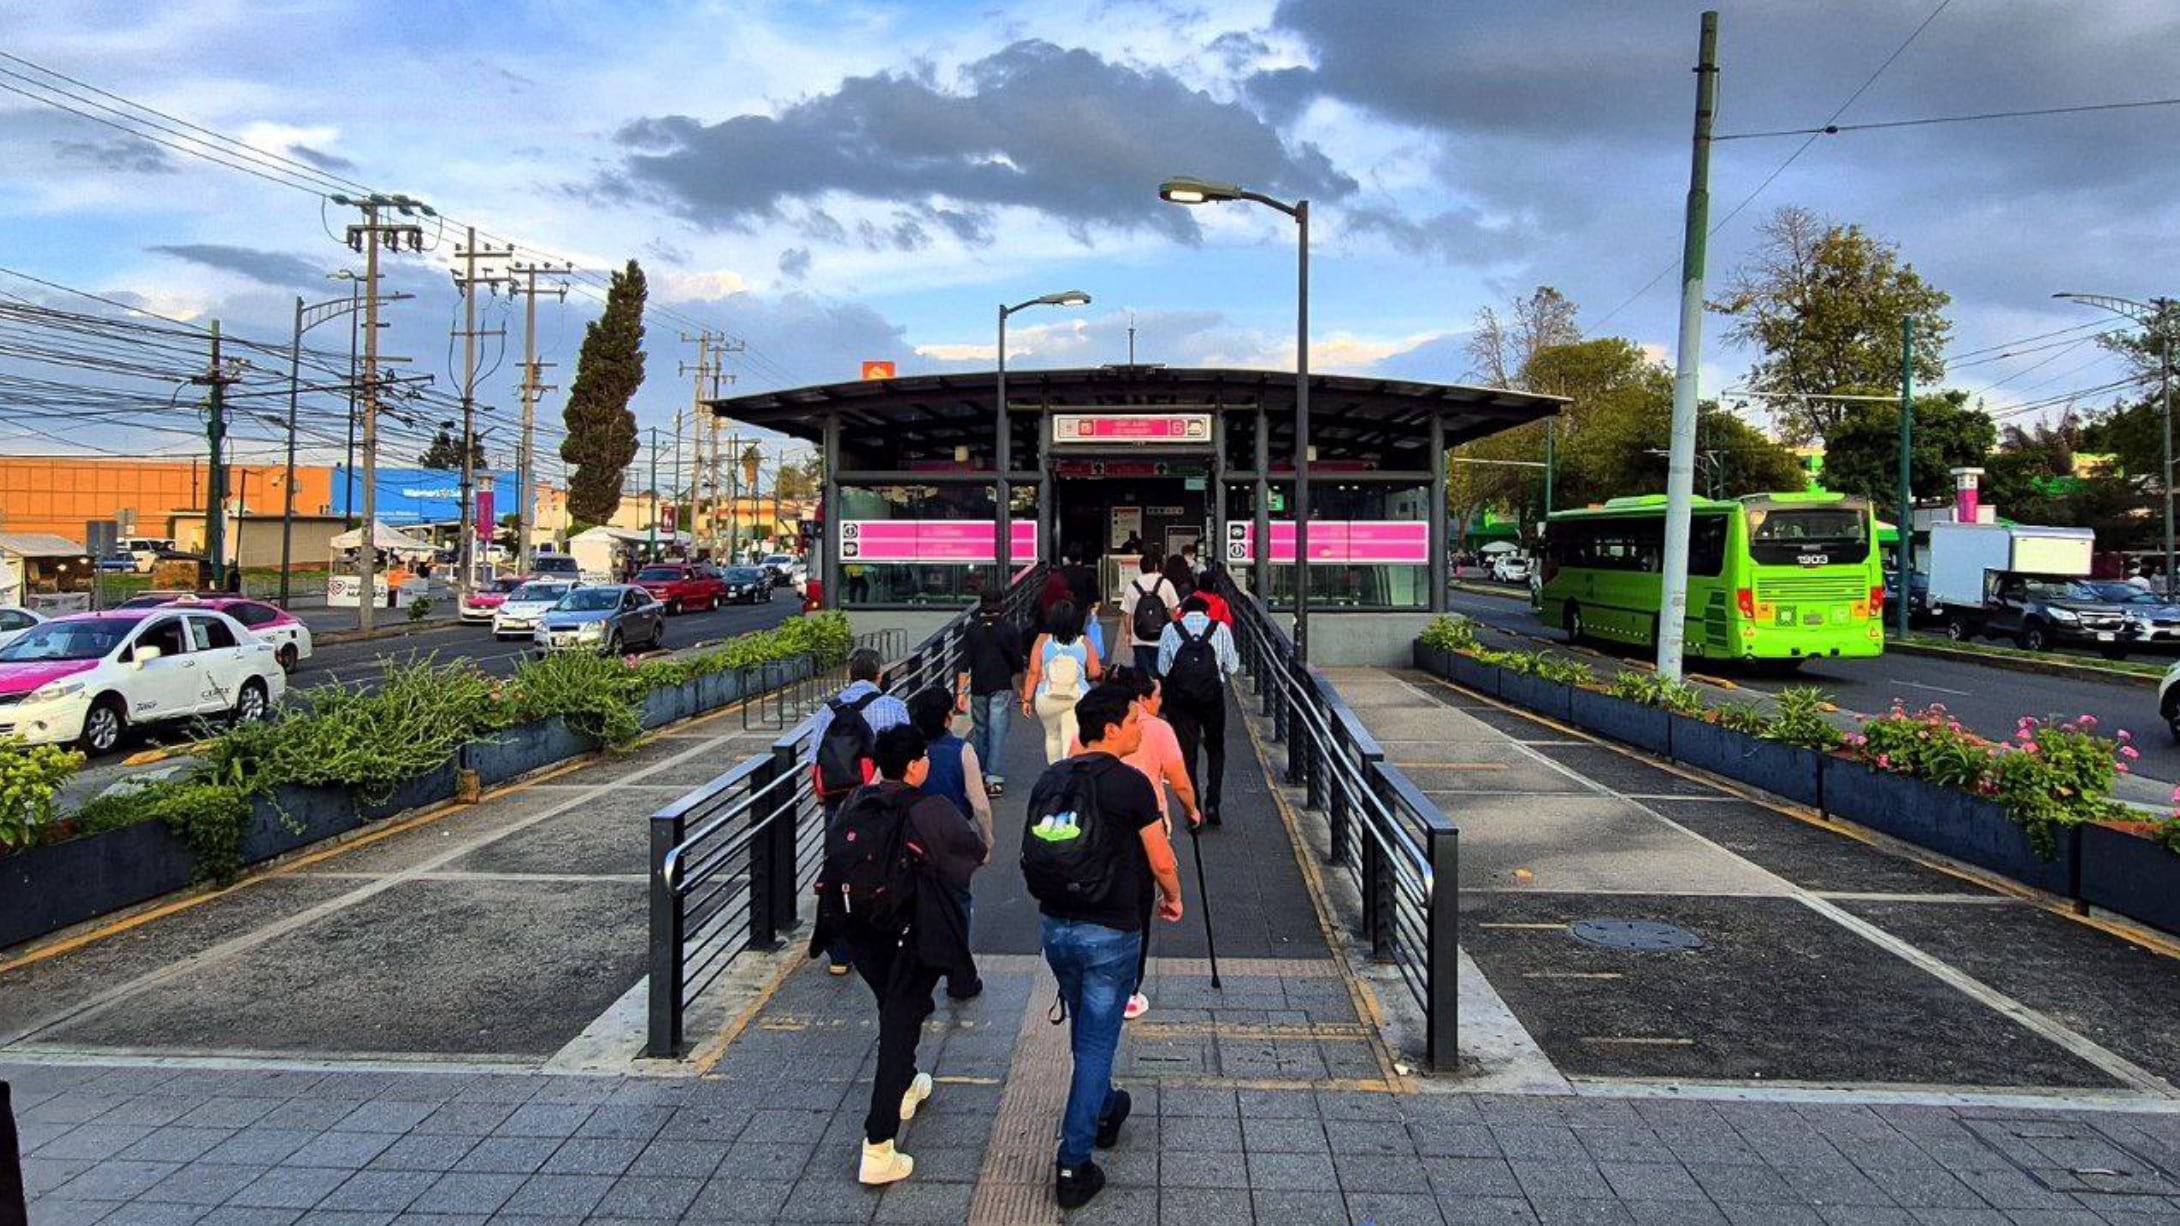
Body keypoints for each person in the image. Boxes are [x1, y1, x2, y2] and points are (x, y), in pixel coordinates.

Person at [1022, 683, 1183, 1210]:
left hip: (1056, 930)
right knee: (1095, 1044)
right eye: (1134, 721)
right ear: (1110, 729)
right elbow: (1160, 859)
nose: (1141, 728)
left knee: (1088, 1032)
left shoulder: (1052, 779)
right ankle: (1073, 1162)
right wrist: (1173, 897)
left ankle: (1108, 1106)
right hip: (1111, 931)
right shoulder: (1131, 786)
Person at [810, 725, 985, 1187]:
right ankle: (878, 1145)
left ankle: (908, 1082)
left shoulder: (854, 803)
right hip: (907, 930)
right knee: (898, 1022)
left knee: (895, 1008)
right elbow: (971, 853)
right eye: (923, 757)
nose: (927, 763)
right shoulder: (928, 807)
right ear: (913, 765)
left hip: (857, 929)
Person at [810, 647, 912, 975]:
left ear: (849, 675)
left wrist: (823, 799)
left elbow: (815, 762)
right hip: (881, 801)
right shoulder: (893, 706)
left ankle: (839, 954)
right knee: (883, 868)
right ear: (879, 675)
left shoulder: (828, 711)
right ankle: (883, 939)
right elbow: (909, 754)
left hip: (839, 803)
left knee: (839, 870)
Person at [1105, 666, 1199, 1021]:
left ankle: (1102, 975)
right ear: (1142, 698)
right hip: (1146, 828)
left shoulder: (1095, 723)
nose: (1160, 702)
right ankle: (1129, 989)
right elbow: (1180, 781)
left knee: (1104, 897)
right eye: (1157, 696)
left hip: (1101, 827)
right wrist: (1192, 810)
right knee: (1138, 906)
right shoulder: (1158, 729)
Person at [909, 685, 993, 1000]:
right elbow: (980, 804)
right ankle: (960, 977)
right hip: (952, 843)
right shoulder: (962, 751)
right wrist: (987, 840)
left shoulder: (910, 749)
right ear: (948, 718)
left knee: (916, 908)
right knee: (958, 905)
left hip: (913, 841)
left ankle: (919, 985)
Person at [1156, 593, 1241, 827]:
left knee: (1187, 753)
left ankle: (1194, 809)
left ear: (1183, 611)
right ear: (1206, 611)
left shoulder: (1171, 630)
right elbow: (1232, 667)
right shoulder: (1220, 629)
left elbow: (1162, 668)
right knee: (1215, 749)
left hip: (1181, 699)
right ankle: (1213, 801)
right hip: (1212, 697)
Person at [958, 591, 1025, 796]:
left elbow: (965, 662)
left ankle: (979, 772)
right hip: (1002, 685)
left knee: (981, 729)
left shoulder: (972, 628)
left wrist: (961, 692)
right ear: (1002, 605)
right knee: (997, 730)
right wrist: (1021, 689)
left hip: (978, 686)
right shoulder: (1009, 629)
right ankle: (993, 778)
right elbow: (1017, 662)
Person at [1023, 600, 1102, 763]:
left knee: (1052, 736)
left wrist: (1026, 698)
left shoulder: (1042, 640)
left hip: (1047, 697)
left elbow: (1033, 672)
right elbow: (1096, 671)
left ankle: (1055, 772)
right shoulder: (1084, 642)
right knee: (1072, 736)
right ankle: (1070, 772)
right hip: (1077, 697)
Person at [1119, 553, 1179, 675]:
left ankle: (1145, 692)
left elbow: (1126, 613)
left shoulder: (1133, 585)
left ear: (1140, 568)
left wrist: (1128, 634)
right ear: (1156, 566)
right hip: (1161, 636)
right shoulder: (1165, 583)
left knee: (1143, 674)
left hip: (1139, 637)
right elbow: (1173, 609)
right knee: (1160, 671)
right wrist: (1176, 629)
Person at [1195, 565, 1233, 630]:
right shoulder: (1221, 602)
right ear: (1214, 585)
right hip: (1215, 635)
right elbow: (1227, 623)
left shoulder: (1190, 600)